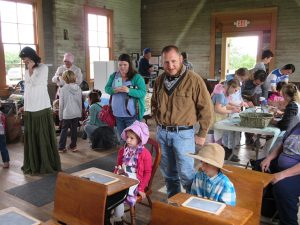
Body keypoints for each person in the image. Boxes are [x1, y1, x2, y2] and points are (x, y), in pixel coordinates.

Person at [151, 45, 213, 198]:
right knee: (169, 174)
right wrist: (158, 122)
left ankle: (191, 208)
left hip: (183, 134)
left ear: (181, 59)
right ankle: (174, 203)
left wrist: (202, 133)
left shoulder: (194, 80)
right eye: (166, 62)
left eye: (173, 61)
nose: (170, 66)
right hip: (163, 133)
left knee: (186, 174)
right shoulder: (159, 80)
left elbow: (206, 108)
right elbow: (153, 104)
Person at [19, 46, 61, 174]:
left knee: (43, 136)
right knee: (32, 137)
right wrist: (24, 106)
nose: (25, 63)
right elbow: (28, 88)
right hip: (30, 108)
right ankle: (34, 163)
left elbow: (36, 82)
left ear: (32, 57)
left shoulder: (43, 68)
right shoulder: (27, 70)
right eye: (24, 62)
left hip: (41, 106)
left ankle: (46, 163)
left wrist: (31, 69)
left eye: (26, 60)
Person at [256, 122, 300, 225]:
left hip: (296, 171)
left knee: (283, 187)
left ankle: (288, 222)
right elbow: (282, 145)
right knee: (260, 166)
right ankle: (270, 208)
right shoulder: (298, 125)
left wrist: (282, 174)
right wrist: (269, 158)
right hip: (283, 164)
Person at [113, 121, 152, 225]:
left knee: (119, 193)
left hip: (135, 179)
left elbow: (148, 172)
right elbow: (118, 165)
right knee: (109, 189)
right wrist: (116, 173)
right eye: (127, 137)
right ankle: (111, 214)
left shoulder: (145, 153)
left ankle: (118, 220)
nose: (128, 140)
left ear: (139, 139)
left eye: (132, 138)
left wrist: (141, 188)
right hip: (123, 176)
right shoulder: (123, 151)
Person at [105, 54, 146, 137]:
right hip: (117, 114)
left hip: (131, 115)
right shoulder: (114, 76)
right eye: (120, 65)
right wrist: (113, 90)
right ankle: (124, 150)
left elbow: (142, 92)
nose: (122, 67)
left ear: (129, 65)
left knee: (132, 139)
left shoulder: (136, 77)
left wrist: (129, 90)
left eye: (125, 65)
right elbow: (107, 88)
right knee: (122, 138)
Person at [211, 79, 241, 162]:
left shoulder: (223, 93)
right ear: (230, 86)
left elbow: (224, 104)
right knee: (215, 140)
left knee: (218, 139)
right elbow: (217, 109)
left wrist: (232, 108)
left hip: (219, 119)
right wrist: (232, 111)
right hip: (214, 119)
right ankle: (213, 158)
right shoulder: (220, 94)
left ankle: (217, 157)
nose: (235, 92)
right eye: (235, 90)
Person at [58, 70, 82, 153]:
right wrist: (80, 113)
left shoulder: (63, 89)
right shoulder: (78, 88)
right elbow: (80, 102)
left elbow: (61, 104)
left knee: (64, 130)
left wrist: (60, 116)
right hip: (76, 112)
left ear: (64, 78)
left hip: (66, 113)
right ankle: (73, 146)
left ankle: (61, 147)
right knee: (74, 130)